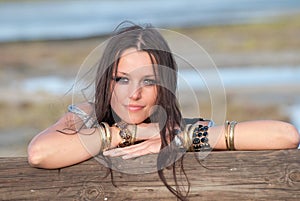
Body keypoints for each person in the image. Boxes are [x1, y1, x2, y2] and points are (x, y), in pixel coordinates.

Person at [27, 22, 300, 200]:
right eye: (122, 79)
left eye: (148, 81)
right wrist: (129, 133)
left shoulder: (180, 129)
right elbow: (40, 153)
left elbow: (285, 135)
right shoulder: (87, 116)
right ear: (107, 82)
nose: (134, 94)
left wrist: (179, 138)